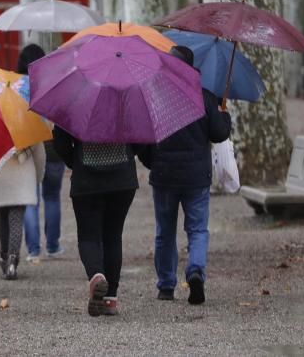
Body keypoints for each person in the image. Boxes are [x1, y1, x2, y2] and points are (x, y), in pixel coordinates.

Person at [143, 45, 231, 305]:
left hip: (164, 175)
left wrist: (152, 161)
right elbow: (219, 134)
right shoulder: (204, 97)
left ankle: (166, 285)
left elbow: (144, 137)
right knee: (197, 230)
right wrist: (224, 118)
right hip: (196, 176)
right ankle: (195, 271)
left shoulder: (155, 96)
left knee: (165, 232)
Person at [52, 124, 140, 317]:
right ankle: (111, 300)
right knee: (113, 236)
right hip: (122, 177)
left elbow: (60, 141)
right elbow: (140, 136)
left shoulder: (74, 99)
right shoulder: (126, 98)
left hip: (86, 179)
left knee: (88, 236)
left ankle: (96, 275)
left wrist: (75, 162)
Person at [19, 44, 67, 262]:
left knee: (31, 200)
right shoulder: (53, 85)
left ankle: (33, 249)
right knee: (52, 197)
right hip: (53, 148)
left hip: (29, 146)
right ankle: (54, 246)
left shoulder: (17, 88)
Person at [0, 141, 45, 280]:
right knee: (16, 220)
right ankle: (13, 261)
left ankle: (4, 256)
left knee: (3, 217)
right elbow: (40, 156)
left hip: (1, 174)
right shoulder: (29, 126)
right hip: (23, 175)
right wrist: (37, 178)